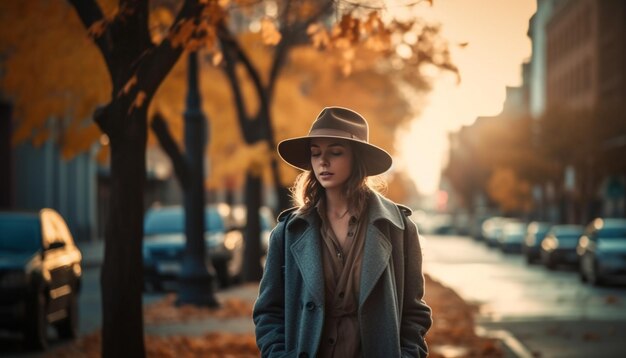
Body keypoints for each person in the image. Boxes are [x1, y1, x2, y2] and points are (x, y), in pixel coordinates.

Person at [253, 106, 432, 357]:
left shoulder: (399, 229)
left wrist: (408, 354)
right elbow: (268, 312)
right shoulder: (287, 232)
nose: (323, 161)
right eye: (315, 154)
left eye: (335, 152)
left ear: (357, 158)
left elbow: (414, 313)